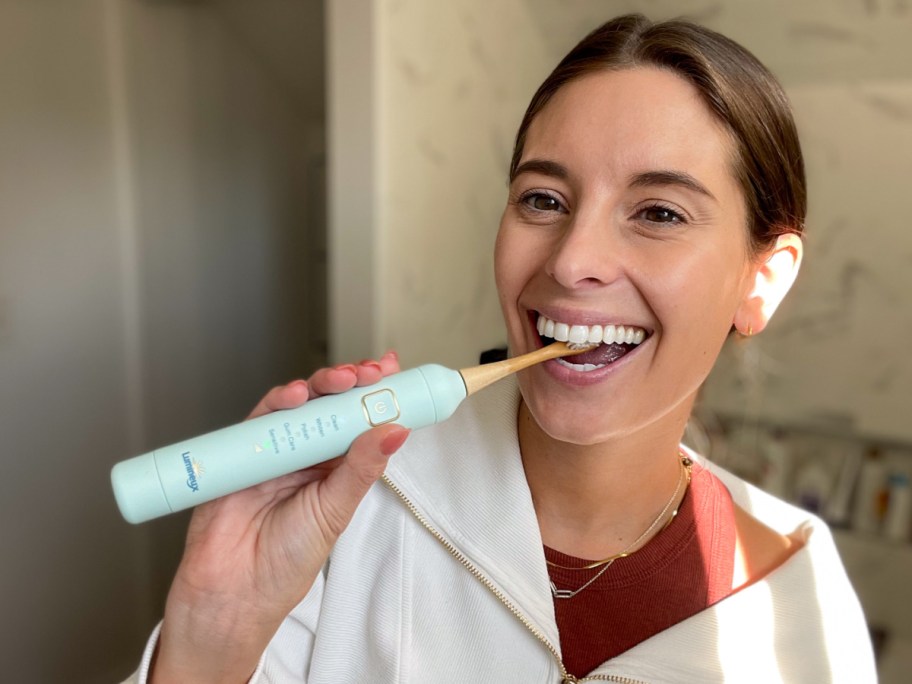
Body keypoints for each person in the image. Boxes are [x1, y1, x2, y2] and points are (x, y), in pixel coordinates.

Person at [127, 14, 876, 683]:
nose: (571, 258)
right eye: (543, 199)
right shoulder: (348, 515)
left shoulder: (799, 599)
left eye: (658, 211)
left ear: (762, 281)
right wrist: (215, 628)